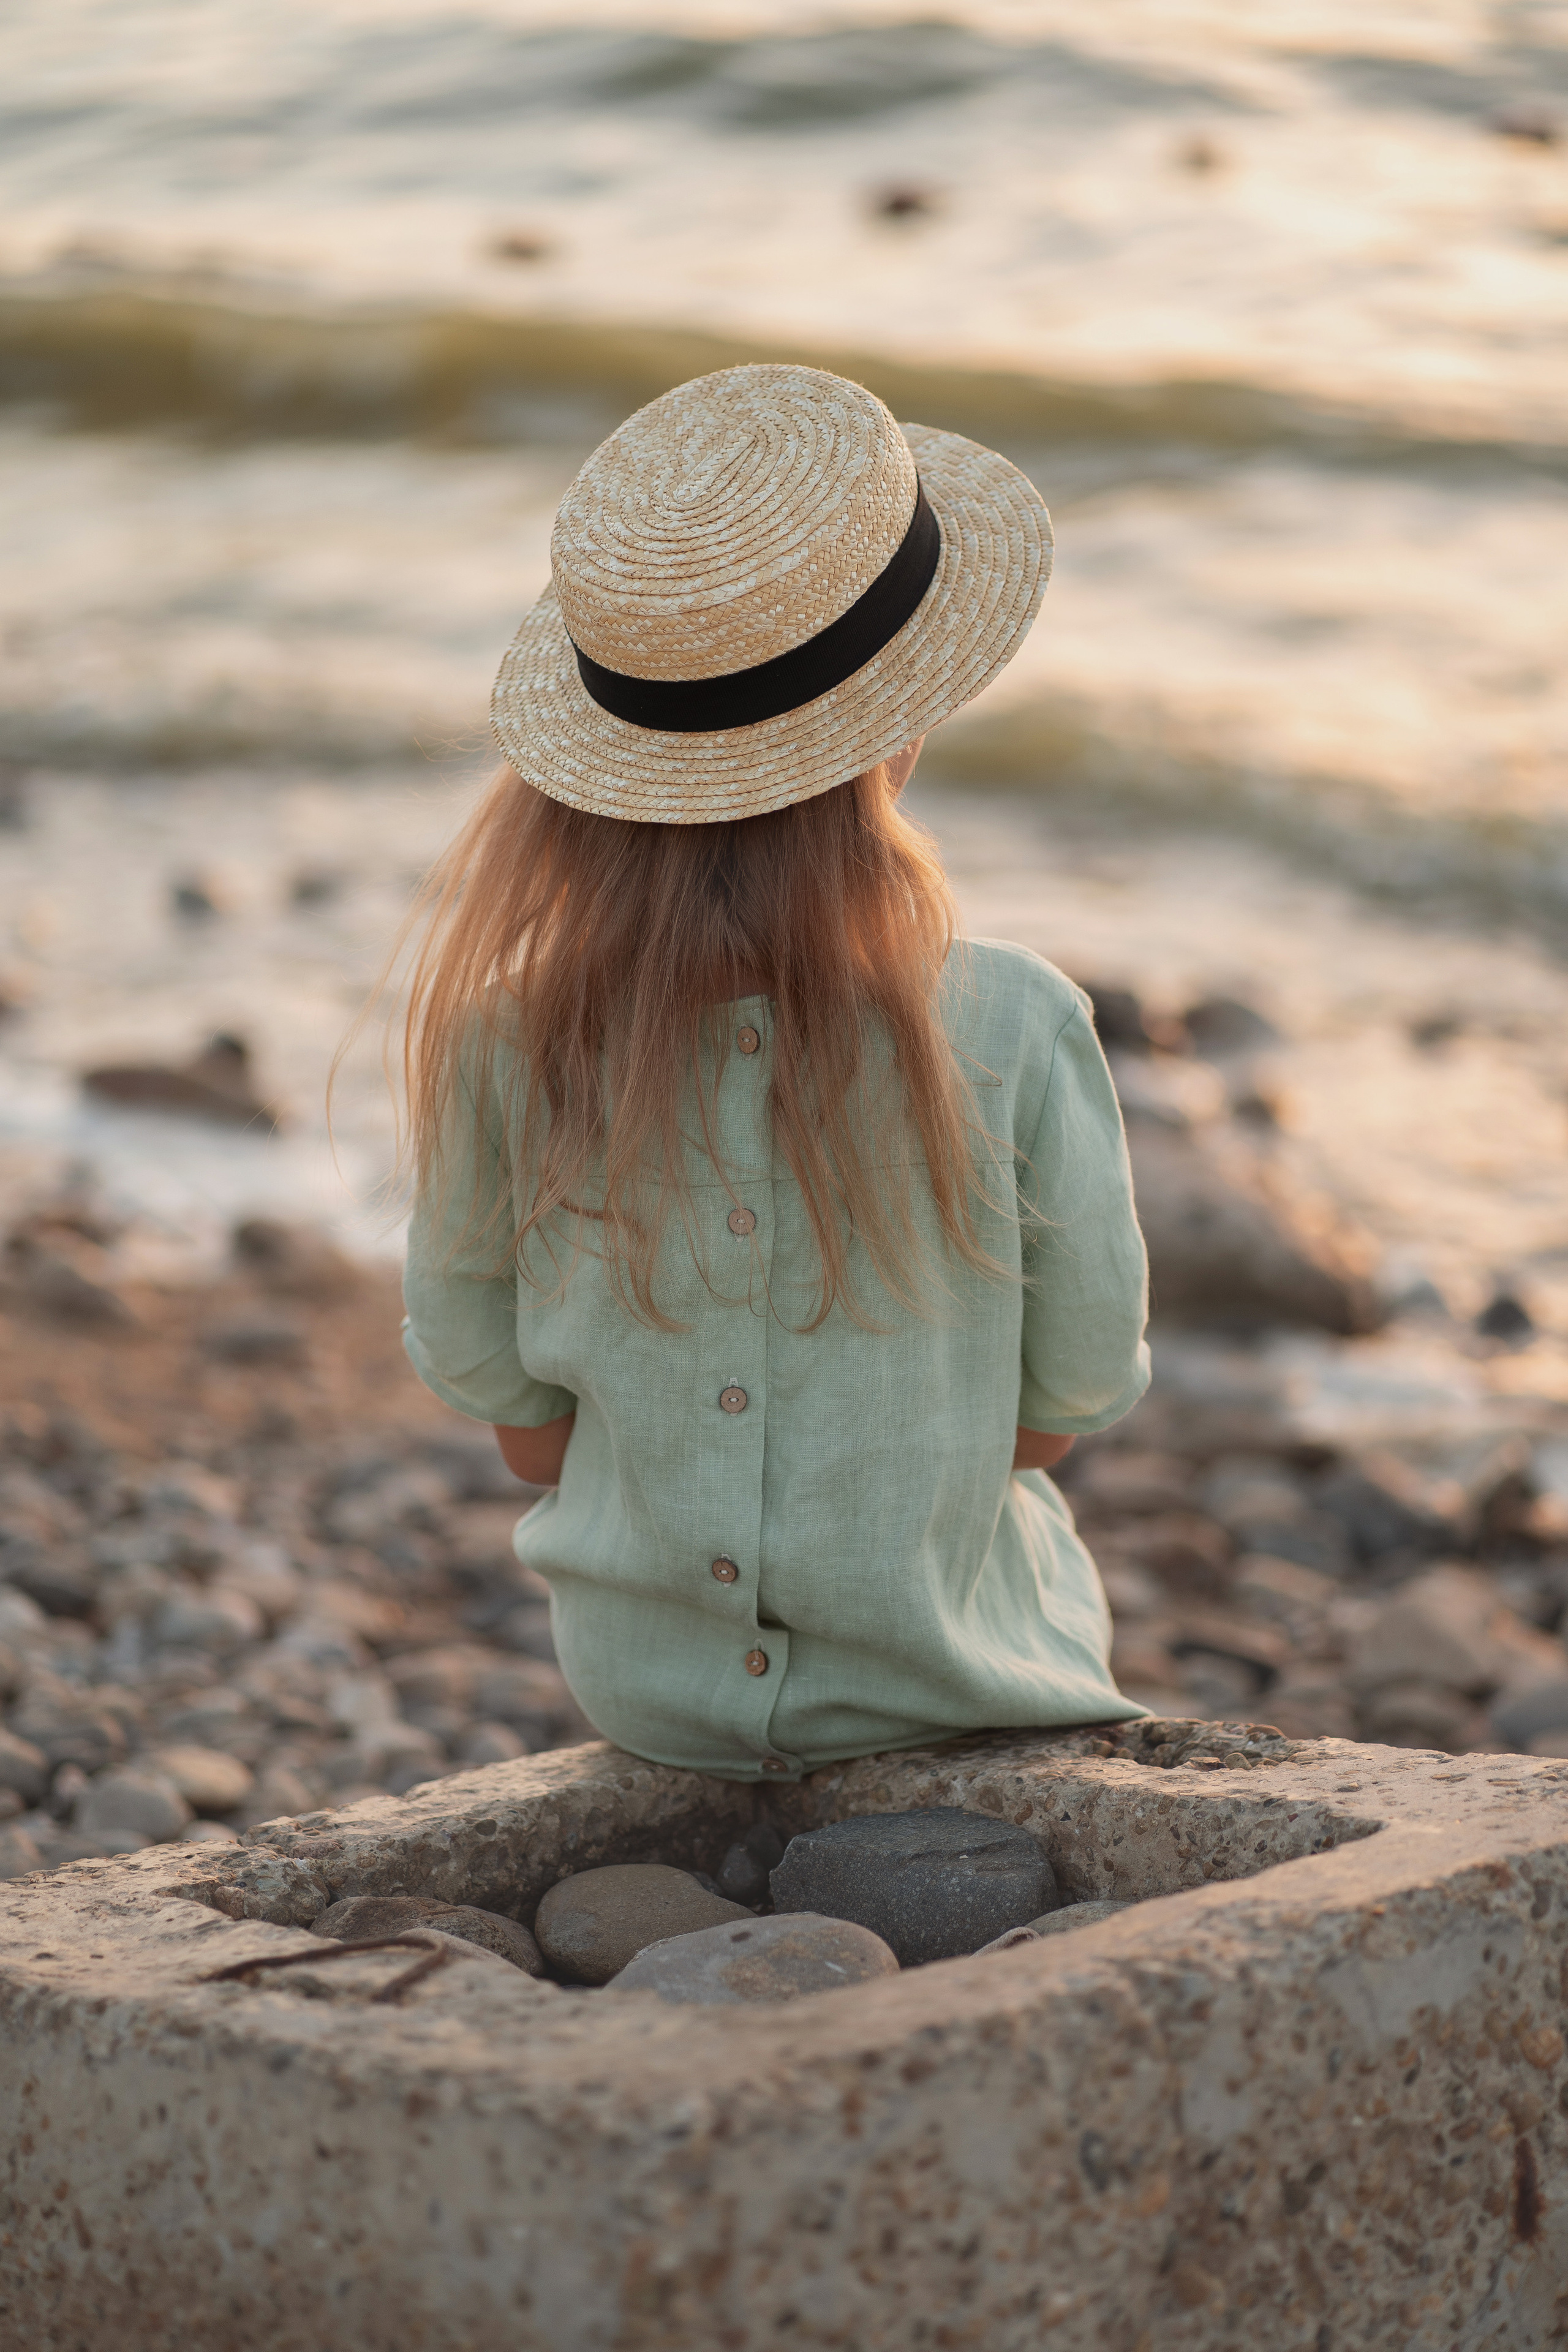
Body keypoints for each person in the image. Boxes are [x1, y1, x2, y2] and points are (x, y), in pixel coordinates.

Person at [398, 362, 1150, 1782]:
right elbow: (1067, 1405)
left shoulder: (505, 1036)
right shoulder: (1009, 1019)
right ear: (902, 729)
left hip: (652, 1703)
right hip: (958, 1679)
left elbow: (522, 1438)